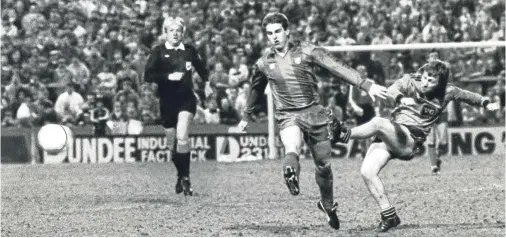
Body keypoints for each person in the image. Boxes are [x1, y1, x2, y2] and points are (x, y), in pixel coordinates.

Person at [238, 12, 388, 229]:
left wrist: (365, 84)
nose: (274, 36)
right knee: (292, 146)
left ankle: (327, 205)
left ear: (287, 31)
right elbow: (255, 90)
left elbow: (337, 67)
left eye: (278, 31)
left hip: (315, 114)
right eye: (269, 33)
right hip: (288, 114)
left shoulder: (308, 49)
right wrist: (246, 116)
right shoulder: (264, 63)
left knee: (324, 166)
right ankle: (291, 173)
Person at [334, 60, 500, 232]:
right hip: (392, 134)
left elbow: (468, 96)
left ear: (440, 83)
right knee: (367, 172)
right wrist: (401, 98)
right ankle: (389, 214)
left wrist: (487, 103)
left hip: (410, 139)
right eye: (425, 78)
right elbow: (392, 90)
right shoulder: (411, 80)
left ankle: (341, 135)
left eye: (431, 81)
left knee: (377, 122)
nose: (426, 83)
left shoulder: (447, 91)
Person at [144, 17, 213, 196]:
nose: (175, 33)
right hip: (167, 102)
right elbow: (148, 76)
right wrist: (168, 77)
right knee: (171, 145)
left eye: (178, 30)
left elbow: (201, 68)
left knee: (182, 136)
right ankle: (180, 174)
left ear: (182, 33)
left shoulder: (189, 51)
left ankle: (186, 177)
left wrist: (207, 83)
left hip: (186, 100)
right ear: (165, 33)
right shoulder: (158, 51)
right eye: (171, 30)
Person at [348, 65, 381, 158]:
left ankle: (372, 153)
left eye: (363, 71)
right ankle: (363, 153)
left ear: (366, 72)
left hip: (369, 108)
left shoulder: (371, 82)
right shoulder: (353, 83)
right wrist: (356, 108)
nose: (361, 73)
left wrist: (377, 109)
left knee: (372, 132)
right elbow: (351, 99)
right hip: (360, 109)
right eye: (359, 71)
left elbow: (375, 97)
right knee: (362, 133)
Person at [425, 49, 449, 174]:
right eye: (431, 56)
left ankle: (438, 158)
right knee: (431, 139)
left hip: (441, 109)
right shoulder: (424, 72)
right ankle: (433, 166)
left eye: (436, 56)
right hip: (428, 110)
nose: (434, 58)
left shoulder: (444, 71)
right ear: (428, 59)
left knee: (443, 140)